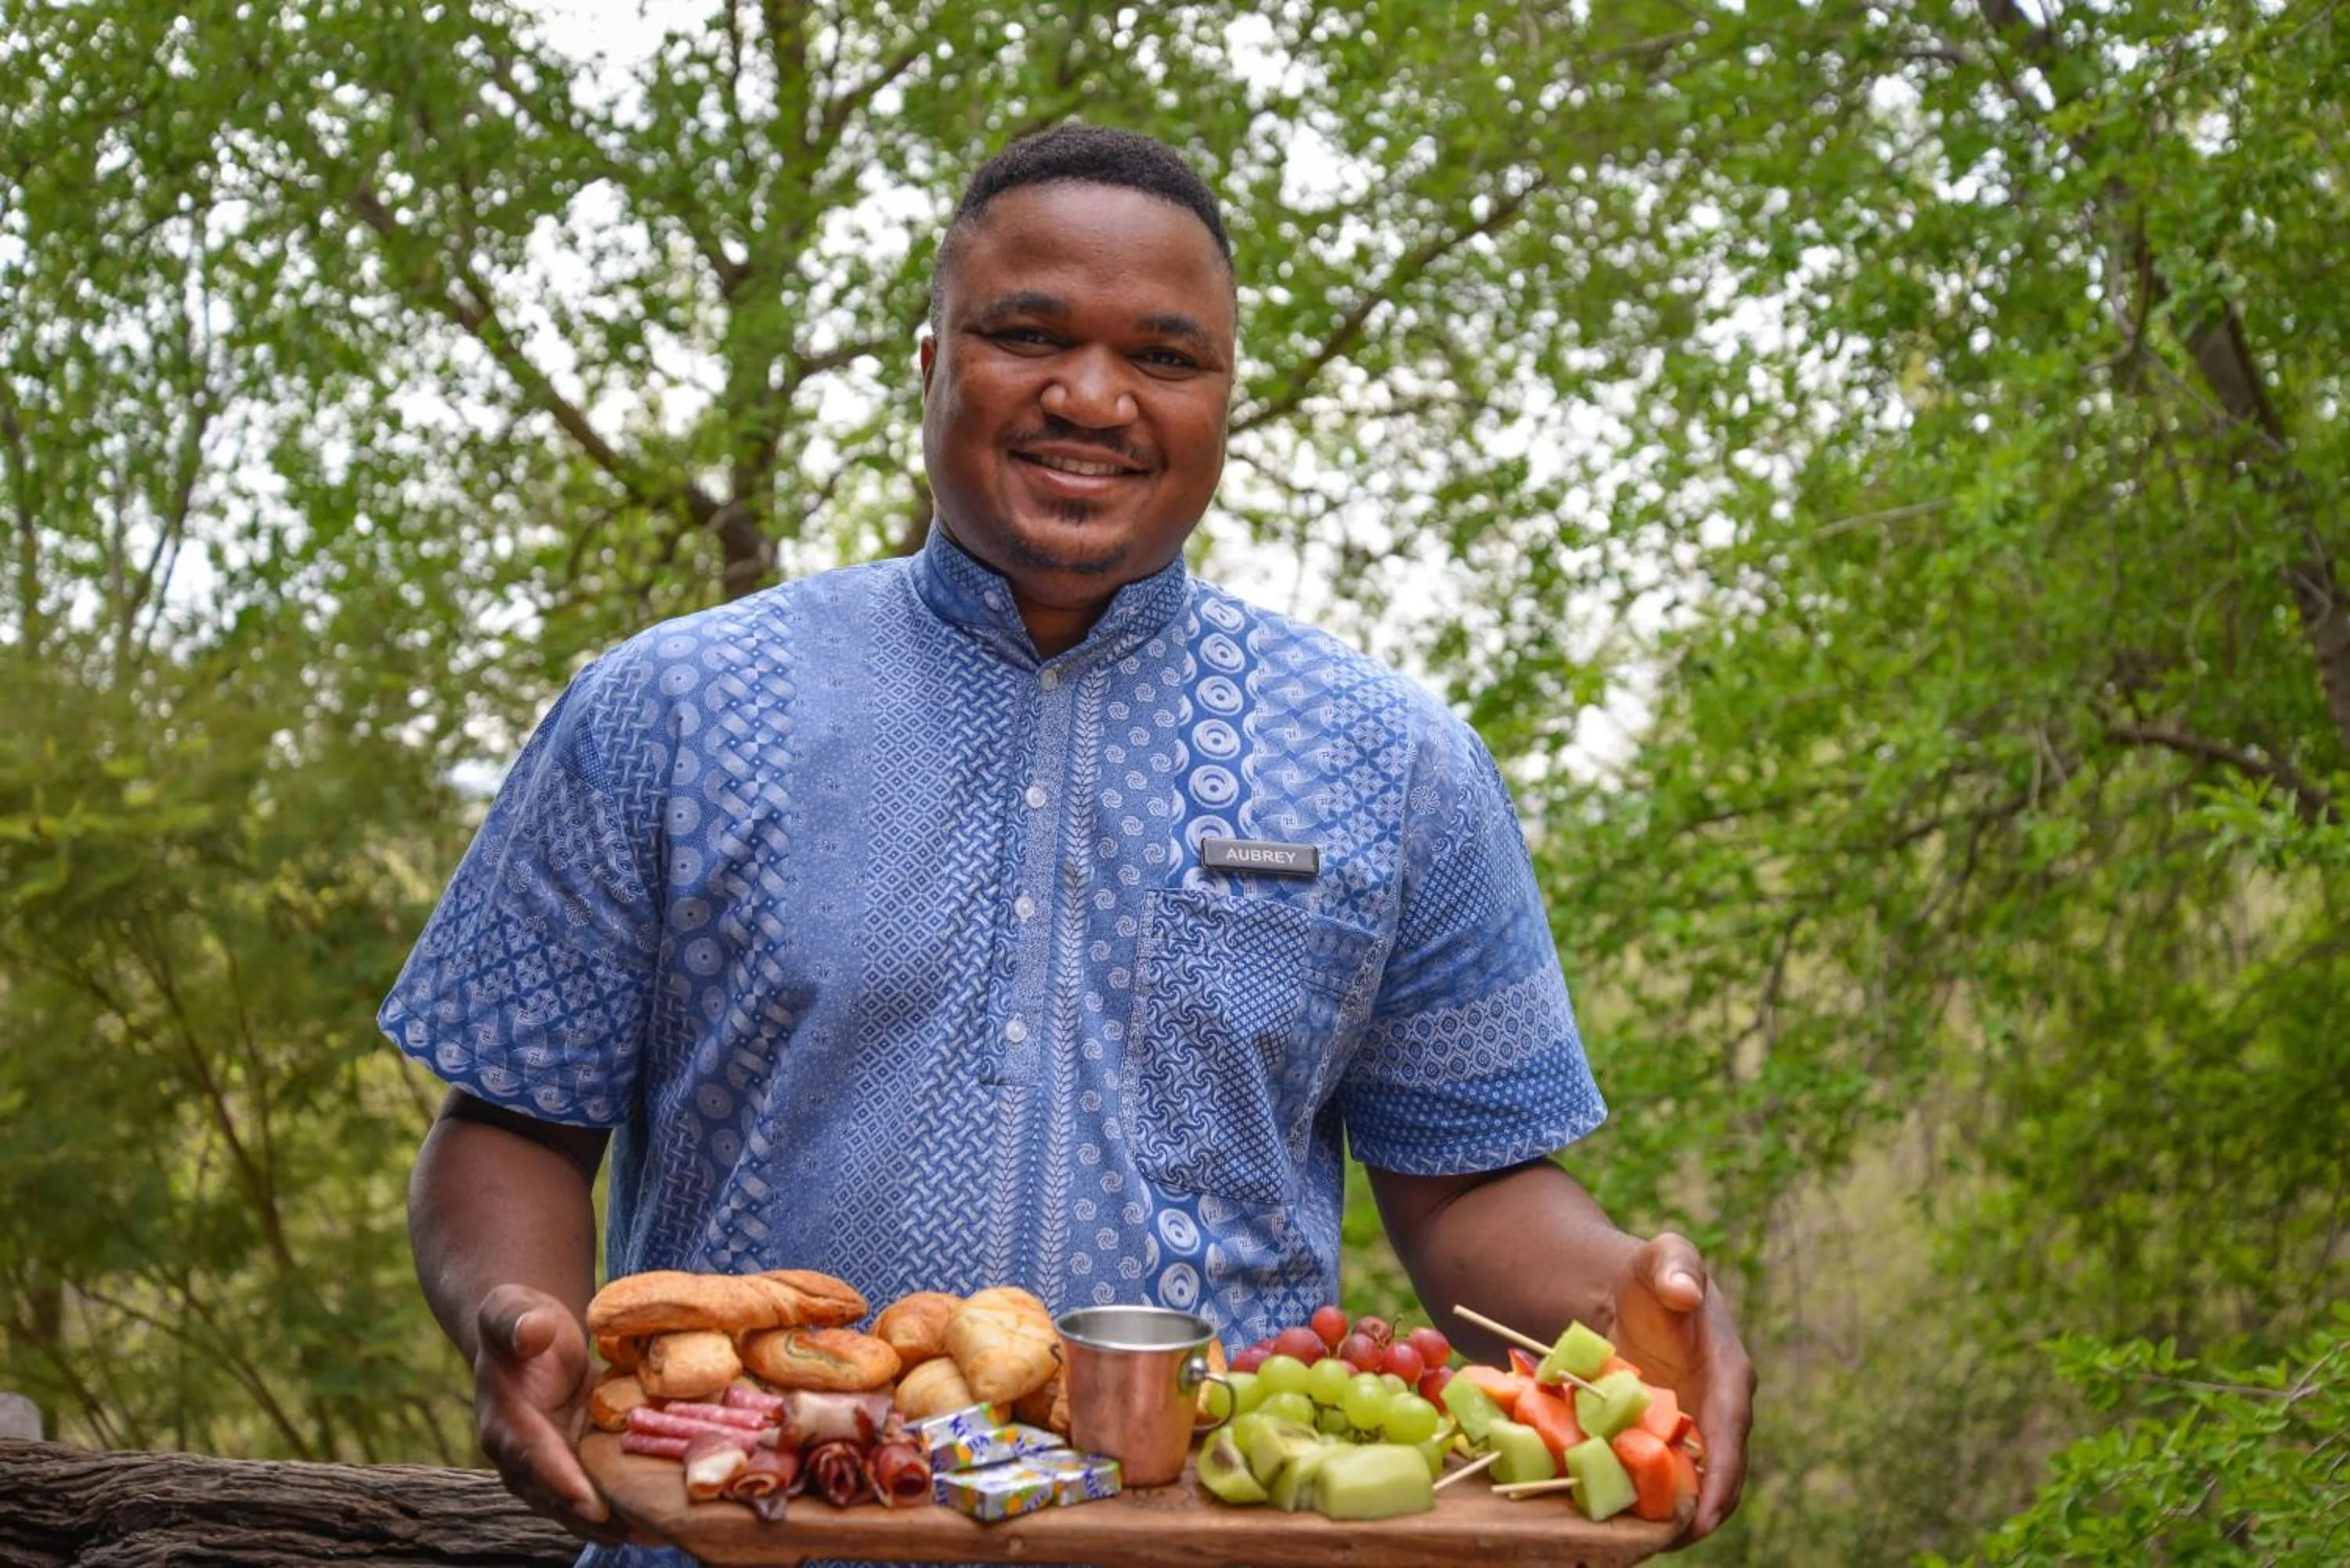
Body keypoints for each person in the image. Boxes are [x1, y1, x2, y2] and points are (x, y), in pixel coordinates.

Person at [385, 124, 1755, 1563]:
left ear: (1226, 397)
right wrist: (519, 1314)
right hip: (744, 1528)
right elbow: (511, 1121)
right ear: (930, 361)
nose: (1092, 397)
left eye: (1164, 358)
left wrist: (1628, 1293)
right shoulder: (669, 711)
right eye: (1026, 333)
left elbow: (1472, 1178)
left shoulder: (1395, 765)